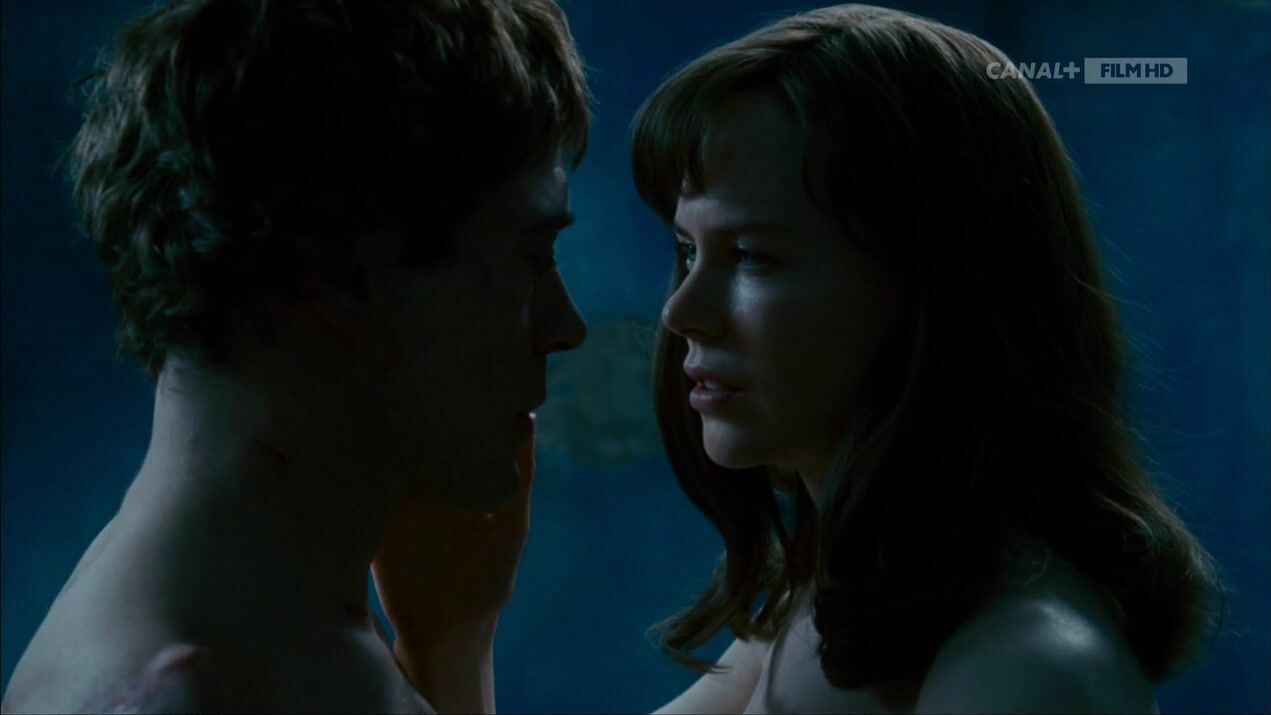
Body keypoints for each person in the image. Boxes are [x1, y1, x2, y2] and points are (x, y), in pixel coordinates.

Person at [622, 4, 1228, 713]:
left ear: (936, 287)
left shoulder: (1018, 670)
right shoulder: (830, 604)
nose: (681, 312)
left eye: (751, 255)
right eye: (687, 250)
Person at [1, 0, 588, 712]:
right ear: (336, 271)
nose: (566, 327)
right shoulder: (179, 697)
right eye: (532, 257)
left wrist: (450, 648)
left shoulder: (282, 631)